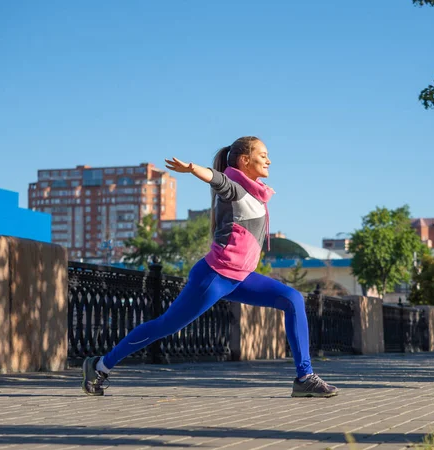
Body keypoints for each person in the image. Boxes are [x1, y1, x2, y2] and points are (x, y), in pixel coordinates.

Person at [81, 136, 339, 398]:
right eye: (263, 155)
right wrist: (193, 169)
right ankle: (100, 365)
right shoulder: (234, 187)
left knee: (292, 298)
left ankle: (304, 377)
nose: (269, 160)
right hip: (214, 276)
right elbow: (217, 179)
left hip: (241, 277)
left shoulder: (254, 193)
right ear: (244, 160)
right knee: (165, 326)